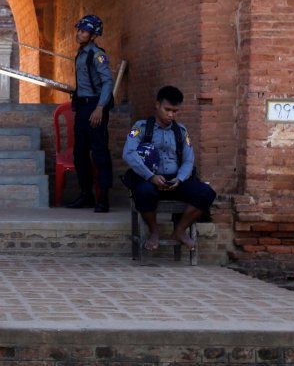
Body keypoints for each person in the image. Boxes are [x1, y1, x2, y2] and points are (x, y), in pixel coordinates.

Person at [121, 85, 216, 251]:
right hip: (150, 180)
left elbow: (188, 159)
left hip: (175, 181)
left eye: (175, 111)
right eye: (167, 109)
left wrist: (179, 178)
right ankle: (154, 231)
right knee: (143, 193)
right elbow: (128, 153)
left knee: (206, 193)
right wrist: (151, 176)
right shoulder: (141, 127)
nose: (171, 115)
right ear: (157, 105)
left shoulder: (181, 131)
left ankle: (179, 230)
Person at [65, 14, 114, 212]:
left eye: (84, 31)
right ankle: (86, 194)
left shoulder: (97, 54)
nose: (79, 34)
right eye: (79, 30)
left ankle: (103, 198)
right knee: (80, 153)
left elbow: (107, 82)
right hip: (83, 107)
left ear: (93, 35)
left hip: (95, 106)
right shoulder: (81, 53)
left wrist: (100, 108)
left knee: (100, 154)